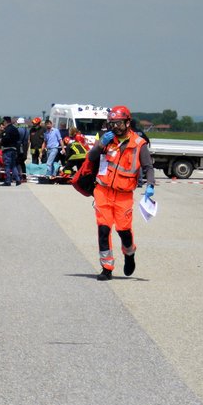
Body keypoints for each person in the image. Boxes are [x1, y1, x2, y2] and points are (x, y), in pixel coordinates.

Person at [88, 104, 155, 280]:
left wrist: (150, 185)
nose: (115, 127)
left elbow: (148, 167)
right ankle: (107, 267)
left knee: (124, 230)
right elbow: (91, 157)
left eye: (118, 123)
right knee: (103, 230)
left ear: (127, 122)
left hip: (124, 194)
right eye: (112, 124)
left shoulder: (139, 144)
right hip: (103, 191)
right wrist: (100, 144)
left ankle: (129, 253)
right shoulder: (107, 140)